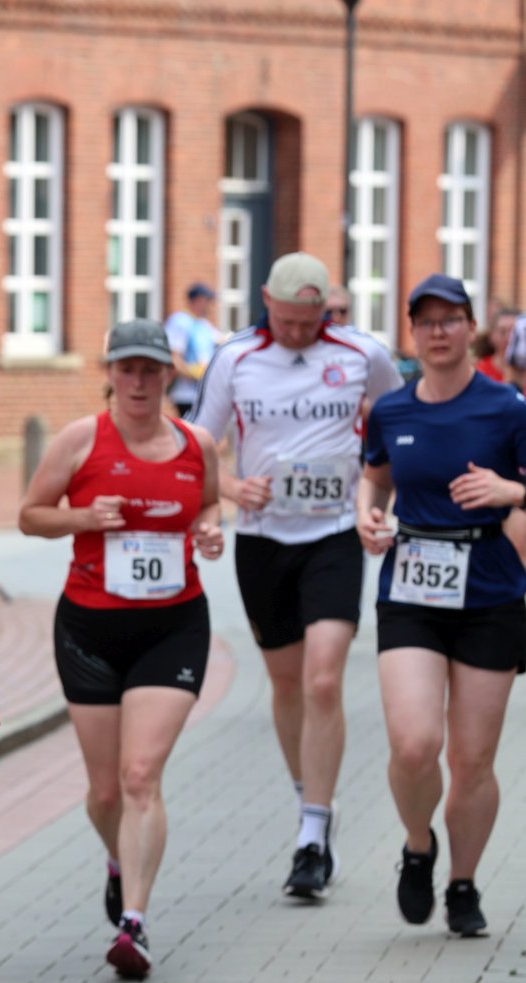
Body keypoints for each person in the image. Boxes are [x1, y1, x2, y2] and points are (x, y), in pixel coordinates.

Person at [192, 251, 401, 900]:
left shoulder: (362, 354)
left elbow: (399, 428)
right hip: (263, 540)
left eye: (309, 322)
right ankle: (310, 795)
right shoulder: (234, 358)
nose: (297, 332)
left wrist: (379, 503)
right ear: (265, 301)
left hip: (333, 535)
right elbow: (196, 447)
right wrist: (231, 490)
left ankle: (312, 835)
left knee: (322, 678)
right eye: (285, 321)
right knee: (285, 684)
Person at [20, 319, 223, 979]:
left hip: (173, 625)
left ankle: (133, 922)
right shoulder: (81, 440)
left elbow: (208, 506)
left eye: (150, 370)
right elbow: (30, 515)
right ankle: (118, 857)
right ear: (110, 374)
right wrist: (82, 518)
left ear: (168, 375)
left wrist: (211, 531)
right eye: (127, 369)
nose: (138, 382)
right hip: (90, 629)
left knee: (140, 776)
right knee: (105, 793)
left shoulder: (196, 444)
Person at [357, 274, 526, 937]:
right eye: (425, 321)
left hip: (489, 590)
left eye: (449, 319)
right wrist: (367, 517)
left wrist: (510, 491)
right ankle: (417, 843)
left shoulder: (507, 407)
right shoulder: (391, 411)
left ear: (469, 328)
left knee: (472, 760)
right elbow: (373, 479)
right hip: (411, 589)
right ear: (412, 332)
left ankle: (462, 882)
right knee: (414, 744)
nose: (437, 332)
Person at [164, 282, 219, 414]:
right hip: (186, 394)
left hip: (203, 393)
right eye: (207, 301)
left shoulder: (204, 324)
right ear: (198, 300)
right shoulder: (180, 321)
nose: (210, 306)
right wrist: (195, 373)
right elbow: (173, 358)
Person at [474, 303, 517, 386]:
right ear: (491, 336)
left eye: (514, 332)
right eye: (502, 332)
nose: (509, 338)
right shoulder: (480, 371)